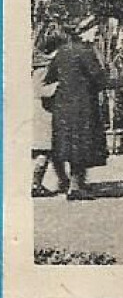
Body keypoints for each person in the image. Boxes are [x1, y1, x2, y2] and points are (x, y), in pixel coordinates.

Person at [45, 16, 123, 199]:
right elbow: (101, 81)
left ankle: (74, 184)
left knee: (68, 144)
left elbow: (50, 77)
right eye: (94, 31)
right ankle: (75, 188)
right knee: (81, 145)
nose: (97, 34)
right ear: (85, 32)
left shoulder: (63, 51)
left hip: (62, 106)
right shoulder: (85, 52)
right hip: (83, 107)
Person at [32, 22, 69, 197]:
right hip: (44, 114)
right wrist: (59, 86)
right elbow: (39, 90)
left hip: (50, 113)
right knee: (45, 150)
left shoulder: (48, 66)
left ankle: (63, 180)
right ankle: (35, 183)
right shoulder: (43, 68)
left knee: (54, 150)